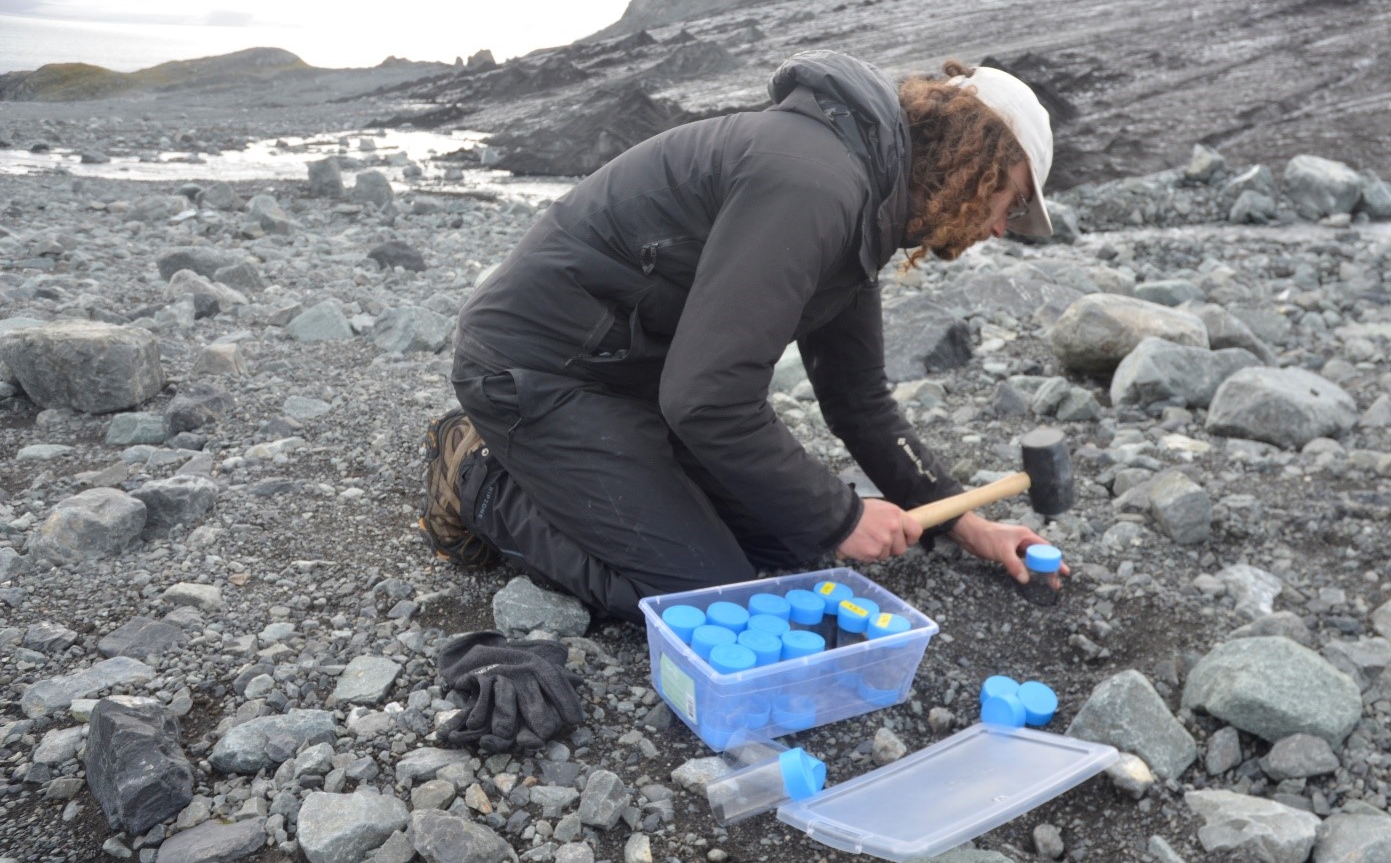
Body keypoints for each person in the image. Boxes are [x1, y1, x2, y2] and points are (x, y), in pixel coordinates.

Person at [419, 50, 1071, 623]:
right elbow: (708, 397)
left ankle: (580, 473)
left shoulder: (864, 206)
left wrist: (965, 522)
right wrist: (842, 515)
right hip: (538, 368)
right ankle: (481, 478)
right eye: (1010, 202)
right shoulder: (813, 184)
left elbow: (859, 401)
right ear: (974, 159)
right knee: (707, 596)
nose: (1000, 229)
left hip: (629, 379)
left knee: (793, 542)